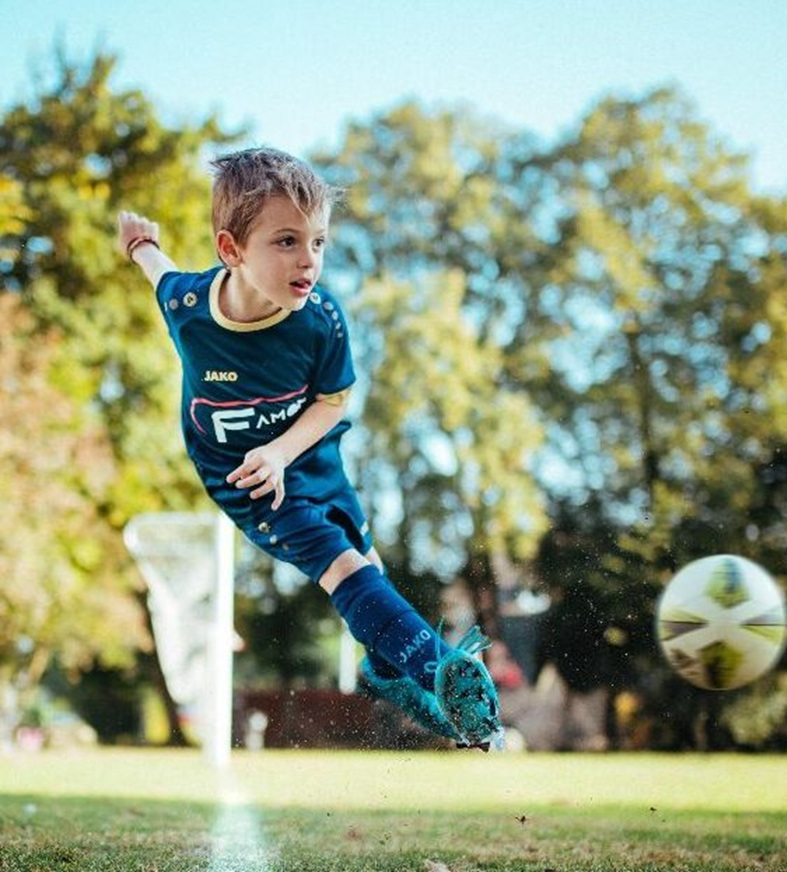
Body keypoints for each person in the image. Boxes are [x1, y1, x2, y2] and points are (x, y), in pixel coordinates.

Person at [117, 146, 501, 749]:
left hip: (312, 459)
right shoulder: (190, 309)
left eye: (318, 242)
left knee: (371, 573)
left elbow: (334, 399)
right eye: (287, 241)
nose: (309, 259)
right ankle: (445, 676)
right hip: (246, 479)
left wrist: (282, 451)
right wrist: (140, 243)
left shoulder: (321, 319)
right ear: (231, 250)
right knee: (343, 567)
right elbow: (159, 272)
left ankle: (387, 673)